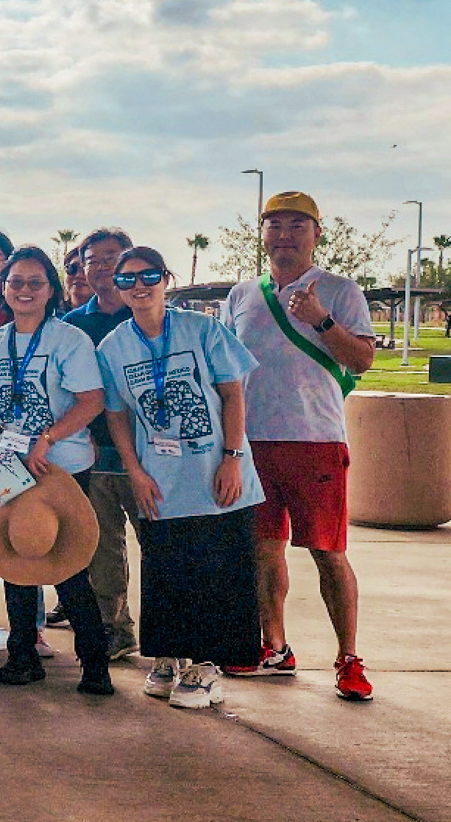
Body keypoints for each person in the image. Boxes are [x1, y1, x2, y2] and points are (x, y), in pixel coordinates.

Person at [221, 192, 376, 700]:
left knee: (328, 551)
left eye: (297, 225)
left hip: (316, 440)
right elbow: (224, 369)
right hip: (253, 440)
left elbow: (362, 361)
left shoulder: (340, 290)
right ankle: (274, 647)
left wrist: (321, 319)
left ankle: (349, 658)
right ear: (262, 234)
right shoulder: (242, 295)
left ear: (317, 234)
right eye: (274, 225)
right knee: (263, 550)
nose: (284, 234)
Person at [98, 246, 264, 710]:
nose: (139, 285)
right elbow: (116, 415)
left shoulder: (202, 328)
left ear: (165, 279)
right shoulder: (114, 347)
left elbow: (232, 395)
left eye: (148, 275)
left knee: (218, 569)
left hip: (215, 475)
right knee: (167, 569)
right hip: (161, 478)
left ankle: (207, 666)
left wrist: (231, 456)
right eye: (127, 279)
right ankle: (169, 657)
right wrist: (134, 471)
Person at [0, 246, 113, 695]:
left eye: (35, 282)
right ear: (4, 288)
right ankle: (23, 656)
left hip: (60, 465)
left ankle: (95, 664)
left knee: (69, 563)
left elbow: (92, 400)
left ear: (51, 289)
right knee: (16, 560)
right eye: (16, 282)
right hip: (5, 462)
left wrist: (46, 439)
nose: (24, 290)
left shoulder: (69, 340)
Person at [60, 227, 141, 660]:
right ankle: (114, 627)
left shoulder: (147, 315)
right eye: (94, 259)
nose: (104, 266)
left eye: (114, 257)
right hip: (94, 455)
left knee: (161, 546)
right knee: (102, 547)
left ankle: (172, 635)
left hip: (150, 456)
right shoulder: (72, 326)